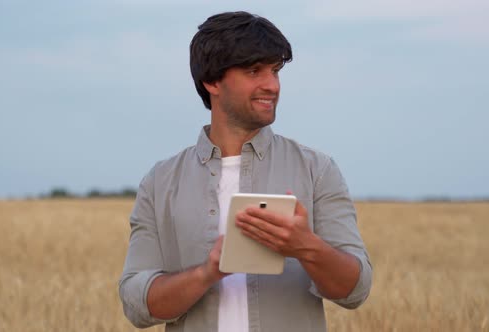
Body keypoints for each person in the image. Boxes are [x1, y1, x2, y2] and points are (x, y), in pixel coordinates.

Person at [119, 11, 372, 332]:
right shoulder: (160, 181)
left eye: (276, 71)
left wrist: (305, 246)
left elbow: (356, 290)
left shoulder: (317, 169)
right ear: (211, 81)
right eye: (254, 71)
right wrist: (207, 272)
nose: (272, 85)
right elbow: (136, 305)